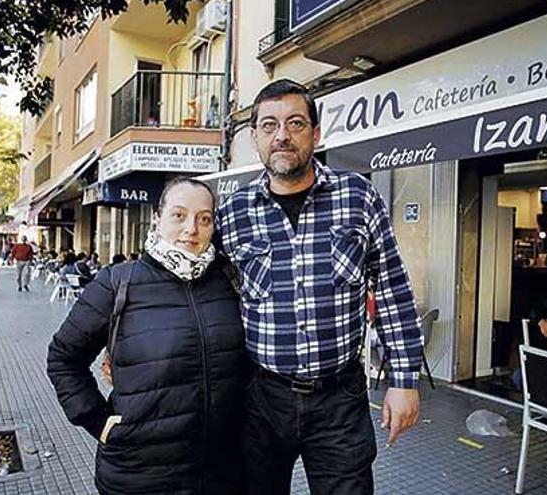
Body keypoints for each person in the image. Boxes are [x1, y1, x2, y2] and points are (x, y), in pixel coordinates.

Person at [215, 79, 424, 495]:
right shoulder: (232, 212)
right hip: (260, 397)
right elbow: (202, 293)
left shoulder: (358, 196)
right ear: (255, 137)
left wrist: (404, 379)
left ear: (315, 132)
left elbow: (392, 287)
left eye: (295, 123)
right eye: (269, 125)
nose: (282, 136)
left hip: (339, 399)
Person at [47, 178, 246, 494]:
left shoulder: (228, 283)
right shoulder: (118, 283)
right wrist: (97, 421)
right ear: (157, 217)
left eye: (204, 218)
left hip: (222, 473)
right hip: (139, 475)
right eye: (178, 215)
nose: (191, 229)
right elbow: (63, 358)